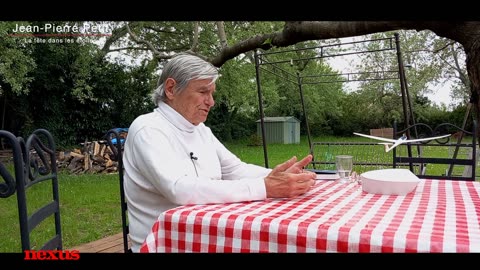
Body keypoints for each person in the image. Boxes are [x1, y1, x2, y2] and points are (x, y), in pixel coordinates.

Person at [123, 53, 317, 252]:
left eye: (212, 93)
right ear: (171, 89)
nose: (211, 102)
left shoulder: (201, 130)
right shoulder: (148, 129)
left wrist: (277, 176)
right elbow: (179, 189)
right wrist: (265, 187)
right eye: (203, 92)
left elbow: (235, 169)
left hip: (208, 236)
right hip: (164, 245)